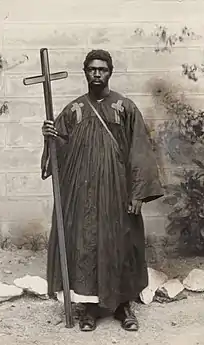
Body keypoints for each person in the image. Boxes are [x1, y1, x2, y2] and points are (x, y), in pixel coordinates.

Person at [41, 49, 163, 332]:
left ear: (110, 72)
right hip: (85, 196)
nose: (97, 73)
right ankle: (90, 309)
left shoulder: (125, 108)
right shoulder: (74, 111)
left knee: (121, 245)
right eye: (92, 69)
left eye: (102, 69)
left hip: (118, 193)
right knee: (87, 246)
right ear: (85, 72)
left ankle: (123, 307)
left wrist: (137, 194)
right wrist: (52, 137)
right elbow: (61, 155)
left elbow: (140, 152)